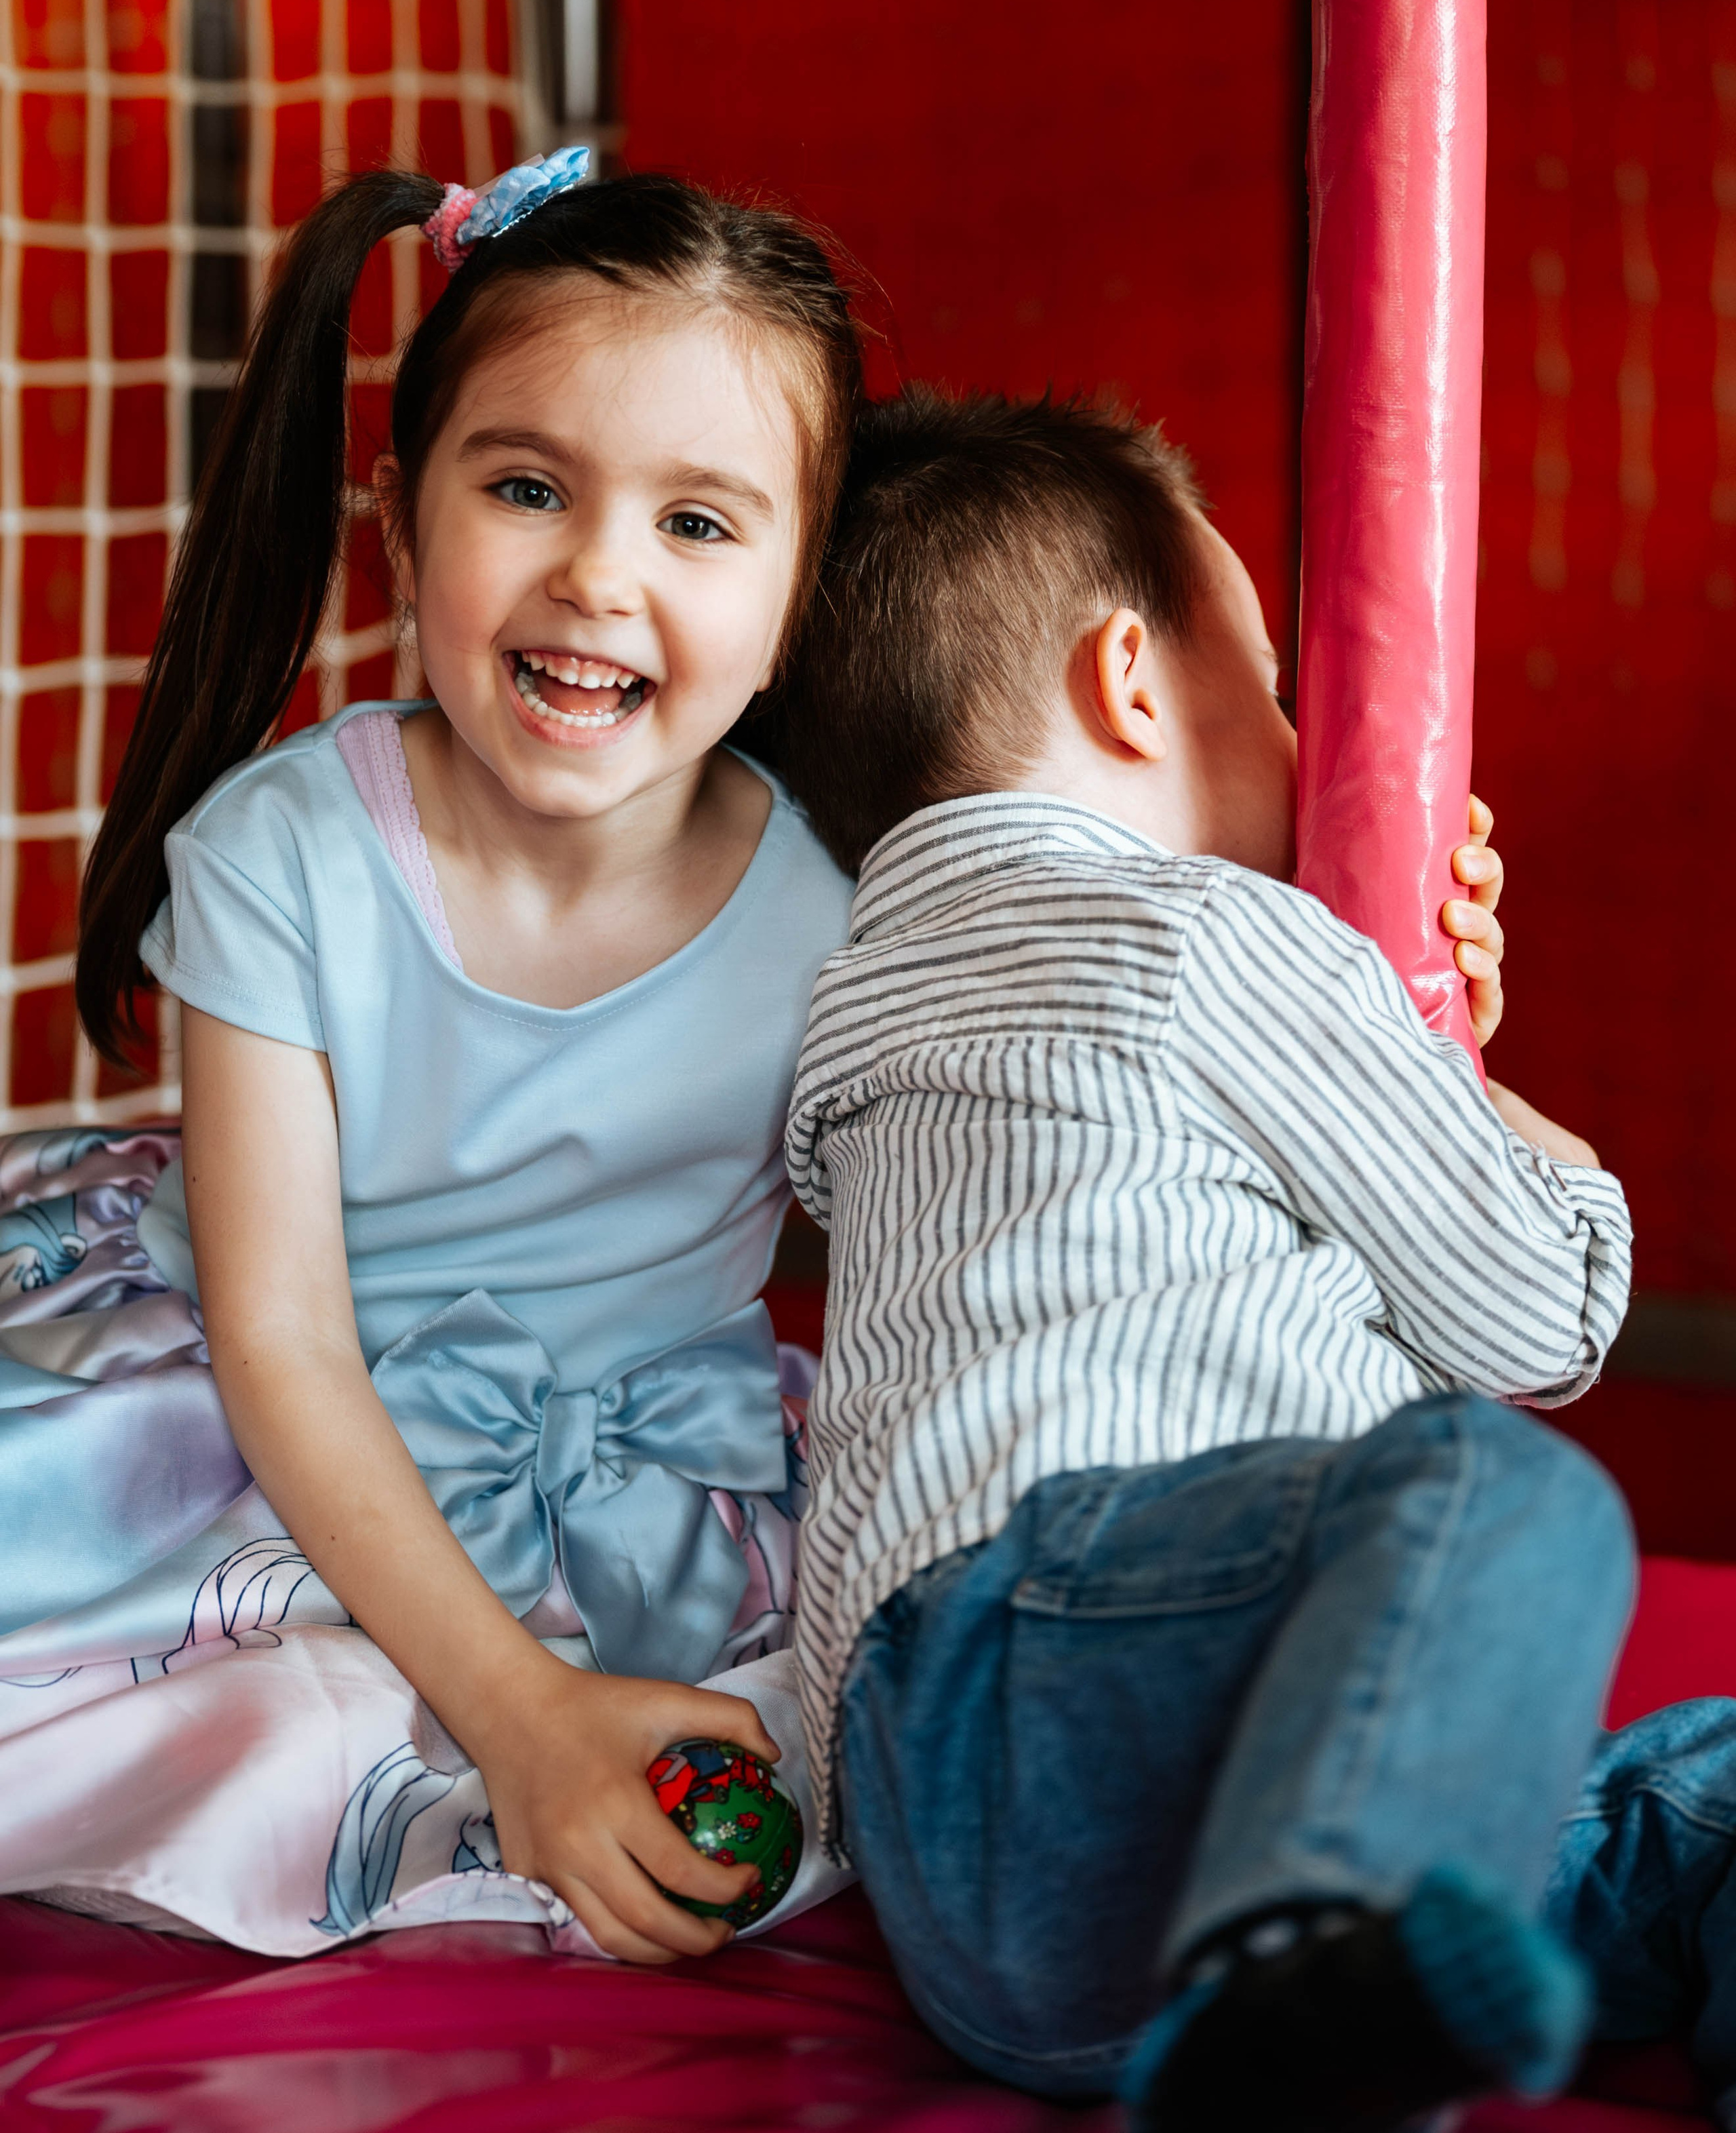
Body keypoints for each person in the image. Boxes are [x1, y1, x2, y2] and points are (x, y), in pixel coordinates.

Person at [0, 153, 865, 1962]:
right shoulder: (286, 858)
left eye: (697, 524)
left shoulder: (844, 908)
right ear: (402, 526)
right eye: (527, 488)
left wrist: (1423, 949)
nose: (599, 575)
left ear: (801, 587)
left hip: (649, 1482)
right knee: (237, 1727)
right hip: (269, 1414)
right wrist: (521, 1715)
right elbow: (286, 1344)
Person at [777, 389, 1640, 2131]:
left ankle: (1310, 1978)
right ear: (1129, 681)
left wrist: (1397, 1050)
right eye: (1271, 683)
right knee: (1499, 1491)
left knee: (1688, 1804)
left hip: (967, 1870)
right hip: (1076, 1684)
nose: (1306, 741)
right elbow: (1533, 1315)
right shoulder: (1207, 929)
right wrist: (1459, 1071)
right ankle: (1305, 1981)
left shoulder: (857, 996)